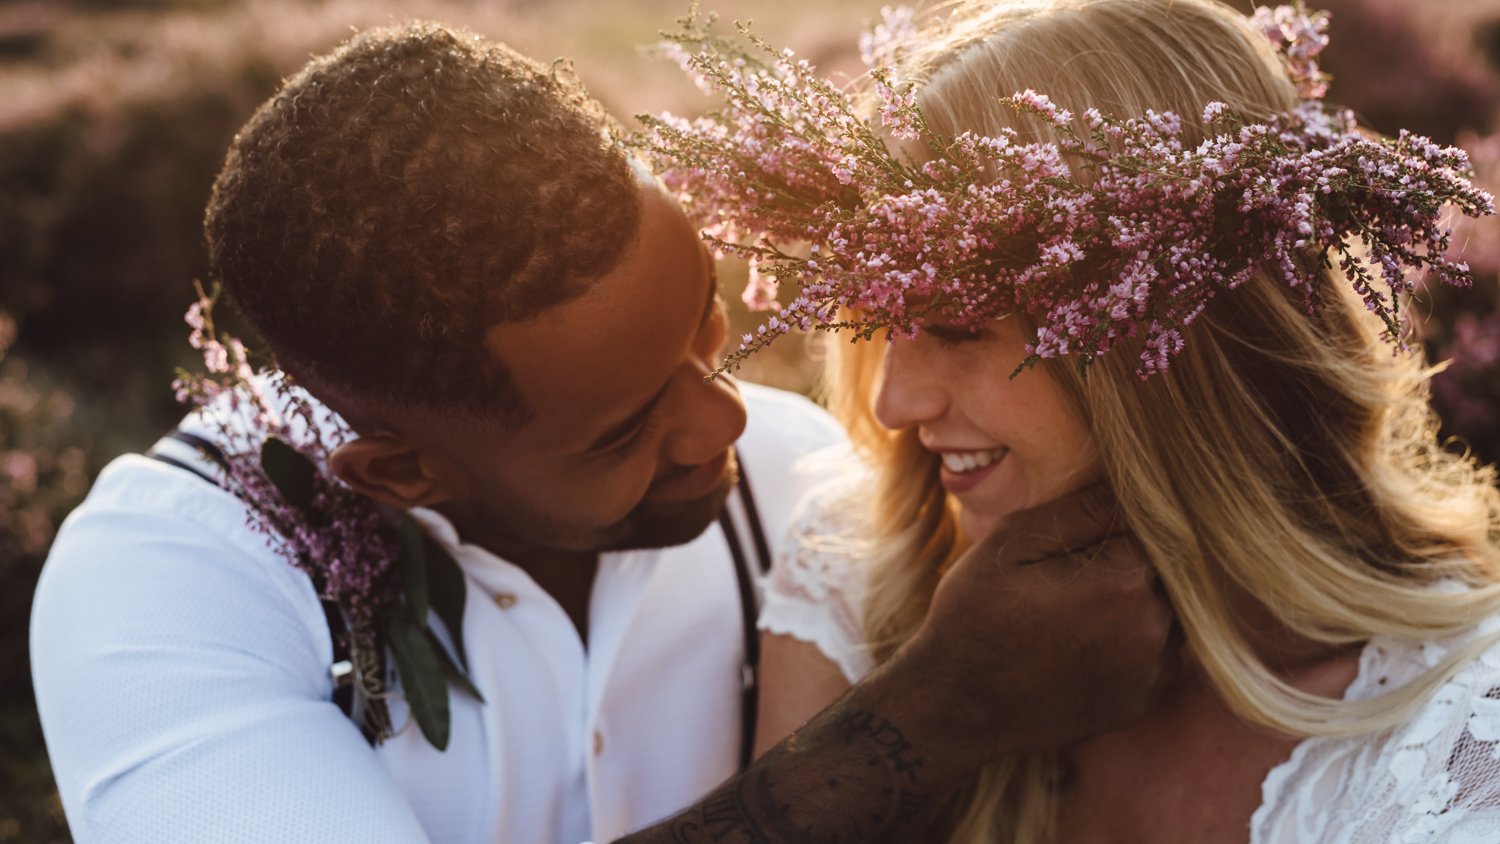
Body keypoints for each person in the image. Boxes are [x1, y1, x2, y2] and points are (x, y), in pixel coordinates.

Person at [30, 20, 1175, 844]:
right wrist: (937, 711)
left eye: (706, 324)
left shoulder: (810, 491)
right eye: (625, 426)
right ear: (400, 469)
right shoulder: (165, 582)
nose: (727, 416)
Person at [744, 0, 1500, 842]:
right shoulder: (860, 585)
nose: (894, 404)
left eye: (958, 327)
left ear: (1168, 344)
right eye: (880, 325)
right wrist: (927, 713)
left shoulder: (1462, 744)